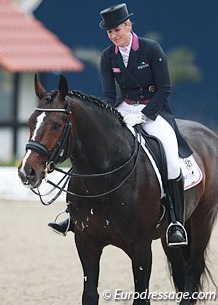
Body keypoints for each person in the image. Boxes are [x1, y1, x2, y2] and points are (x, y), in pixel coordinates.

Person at [48, 3, 192, 247]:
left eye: (117, 30)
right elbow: (107, 94)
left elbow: (165, 89)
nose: (114, 35)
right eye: (110, 32)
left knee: (170, 158)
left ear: (129, 25)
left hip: (154, 112)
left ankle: (176, 222)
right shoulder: (108, 56)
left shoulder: (150, 49)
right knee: (92, 150)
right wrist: (109, 116)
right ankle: (73, 215)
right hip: (123, 108)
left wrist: (145, 115)